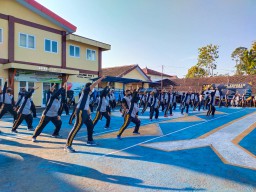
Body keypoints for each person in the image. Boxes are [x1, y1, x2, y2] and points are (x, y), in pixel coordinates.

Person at [64, 76, 105, 153]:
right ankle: (67, 145)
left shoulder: (88, 95)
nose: (93, 90)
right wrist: (101, 79)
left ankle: (90, 140)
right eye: (92, 88)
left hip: (85, 112)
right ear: (89, 87)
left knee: (90, 125)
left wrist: (89, 114)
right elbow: (94, 84)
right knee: (76, 128)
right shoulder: (85, 91)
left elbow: (86, 105)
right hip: (81, 112)